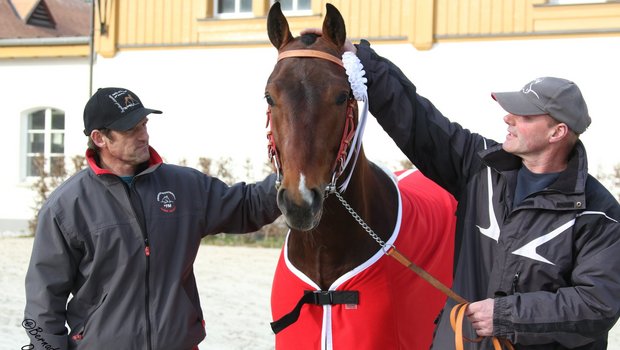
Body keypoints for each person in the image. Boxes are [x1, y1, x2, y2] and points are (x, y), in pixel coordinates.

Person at [348, 40, 620, 349]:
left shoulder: (599, 215)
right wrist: (360, 58)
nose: (508, 118)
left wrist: (506, 316)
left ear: (556, 133)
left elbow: (597, 304)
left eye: (526, 116)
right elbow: (416, 119)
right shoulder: (480, 166)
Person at [23, 87, 281, 350]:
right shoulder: (66, 206)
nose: (143, 135)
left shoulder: (184, 186)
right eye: (130, 129)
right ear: (100, 138)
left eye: (144, 125)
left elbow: (248, 206)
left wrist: (291, 176)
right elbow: (43, 301)